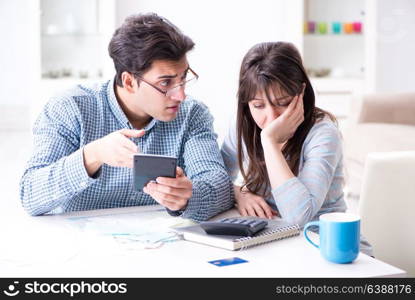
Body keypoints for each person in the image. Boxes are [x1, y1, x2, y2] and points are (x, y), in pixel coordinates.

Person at [20, 13, 233, 221]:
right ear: (129, 82)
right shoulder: (70, 108)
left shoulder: (192, 114)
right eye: (165, 83)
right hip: (81, 246)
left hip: (162, 245)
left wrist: (188, 198)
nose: (181, 94)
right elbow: (30, 195)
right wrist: (92, 155)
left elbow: (220, 186)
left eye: (184, 77)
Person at [221, 42, 373, 254]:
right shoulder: (242, 125)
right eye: (258, 106)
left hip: (329, 247)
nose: (272, 118)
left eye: (282, 102)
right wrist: (239, 193)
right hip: (276, 242)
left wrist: (270, 143)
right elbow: (215, 179)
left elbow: (298, 216)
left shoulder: (323, 134)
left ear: (301, 91)